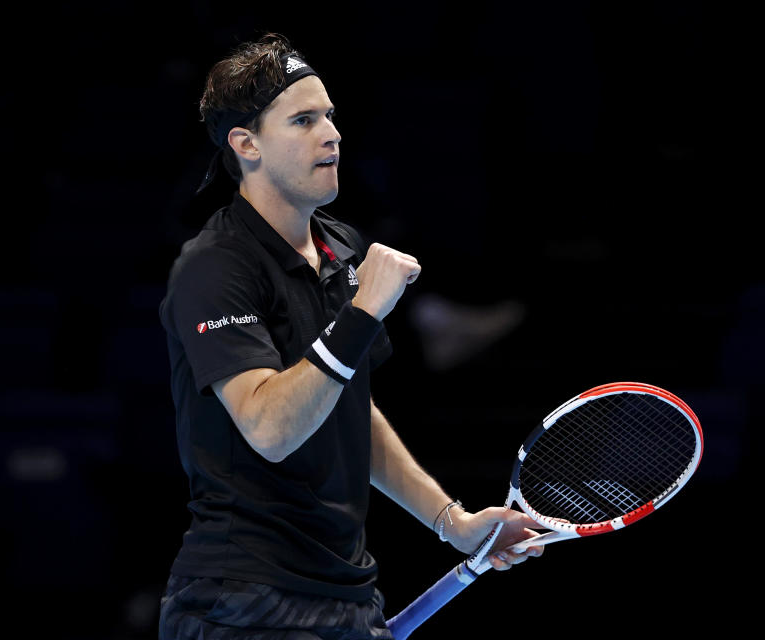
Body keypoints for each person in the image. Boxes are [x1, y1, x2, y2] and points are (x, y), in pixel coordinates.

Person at [158, 34, 543, 639]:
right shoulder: (215, 268)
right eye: (304, 120)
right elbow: (271, 430)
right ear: (247, 144)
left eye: (331, 116)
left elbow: (347, 405)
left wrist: (452, 522)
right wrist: (363, 313)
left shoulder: (340, 249)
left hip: (347, 596)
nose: (331, 134)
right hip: (241, 601)